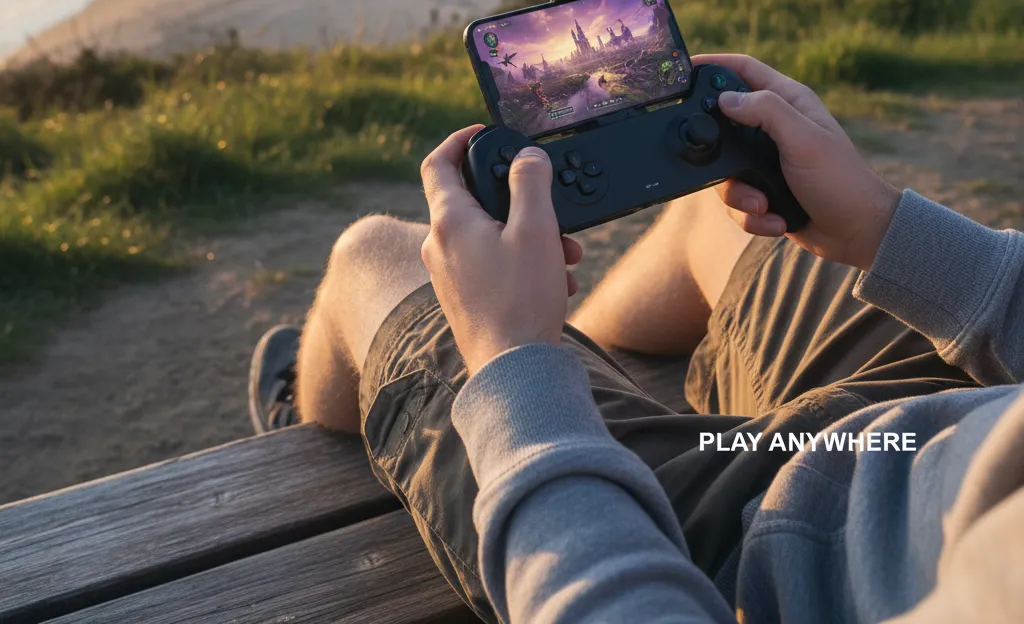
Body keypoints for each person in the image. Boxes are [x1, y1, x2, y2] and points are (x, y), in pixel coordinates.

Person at [250, 54, 1024, 623]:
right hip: (968, 424)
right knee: (716, 207)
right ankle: (581, 355)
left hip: (754, 566)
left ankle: (324, 410)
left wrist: (514, 364)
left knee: (372, 256)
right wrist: (883, 226)